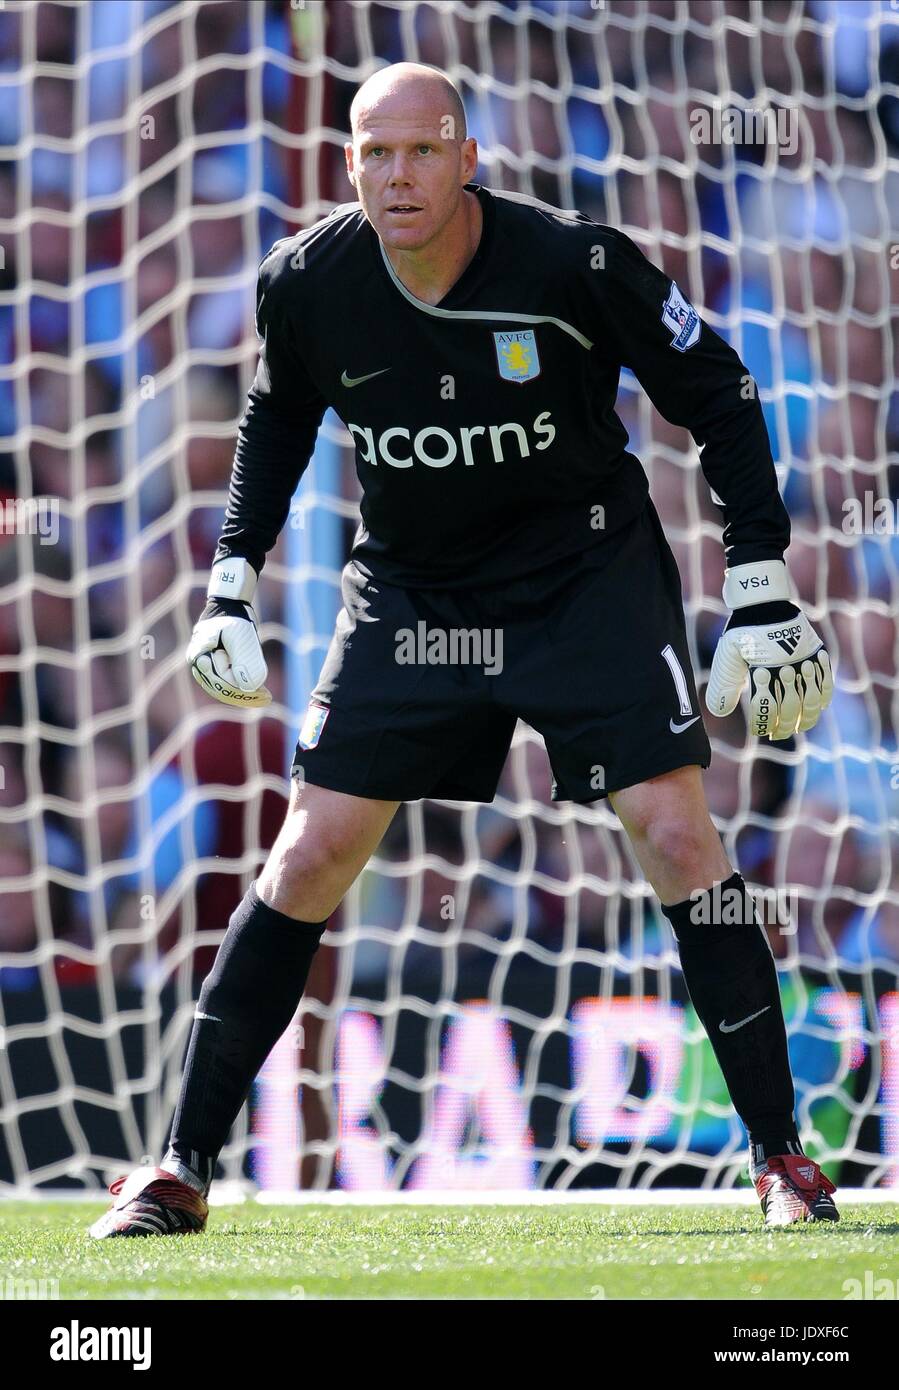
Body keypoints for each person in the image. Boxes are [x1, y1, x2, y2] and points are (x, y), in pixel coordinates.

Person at [90, 63, 836, 1238]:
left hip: (583, 576)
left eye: (422, 151)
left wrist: (756, 575)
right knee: (310, 851)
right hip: (416, 587)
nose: (397, 177)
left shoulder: (573, 264)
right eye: (374, 156)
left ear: (467, 156)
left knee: (677, 829)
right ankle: (178, 1167)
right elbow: (278, 416)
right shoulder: (308, 282)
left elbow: (721, 394)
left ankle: (781, 1160)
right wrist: (233, 576)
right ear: (349, 166)